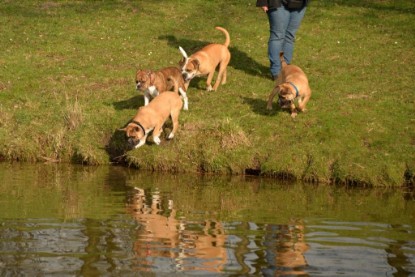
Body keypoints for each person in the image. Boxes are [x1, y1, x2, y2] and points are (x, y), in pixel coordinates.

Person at [256, 0, 309, 80]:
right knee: (277, 36)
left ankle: (285, 68)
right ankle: (276, 72)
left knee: (289, 36)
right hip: (277, 2)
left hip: (299, 4)